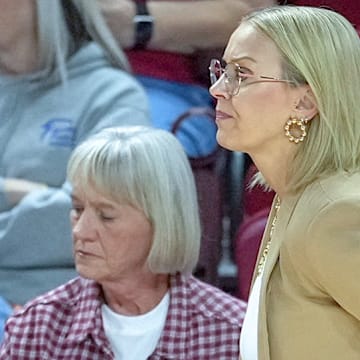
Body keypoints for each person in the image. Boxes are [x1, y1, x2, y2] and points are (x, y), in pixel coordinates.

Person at [0, 126, 247, 359]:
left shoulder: (234, 334)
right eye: (77, 209)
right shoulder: (35, 330)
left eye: (106, 216)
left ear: (163, 220)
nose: (81, 230)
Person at [209, 5, 360, 360]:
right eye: (223, 70)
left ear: (305, 101)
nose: (218, 88)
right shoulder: (292, 198)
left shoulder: (335, 214)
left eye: (242, 74)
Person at [0, 0, 149, 339]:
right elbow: (71, 213)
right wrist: (22, 194)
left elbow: (103, 224)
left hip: (56, 309)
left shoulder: (112, 96)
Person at [100, 0, 276, 157]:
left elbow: (258, 19)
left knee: (123, 155)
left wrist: (134, 21)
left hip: (170, 87)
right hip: (82, 74)